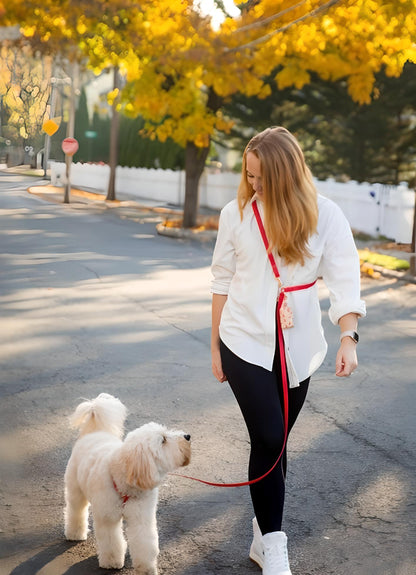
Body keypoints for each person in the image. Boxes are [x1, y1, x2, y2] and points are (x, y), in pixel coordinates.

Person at [210, 126, 366, 575]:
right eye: (249, 175)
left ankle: (262, 533)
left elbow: (344, 278)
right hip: (242, 339)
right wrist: (215, 347)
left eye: (261, 177)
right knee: (269, 436)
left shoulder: (325, 215)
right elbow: (221, 282)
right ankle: (276, 548)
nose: (253, 185)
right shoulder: (236, 214)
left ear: (284, 174)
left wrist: (348, 336)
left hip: (297, 345)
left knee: (277, 442)